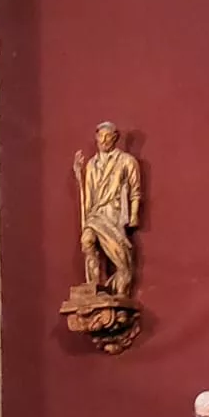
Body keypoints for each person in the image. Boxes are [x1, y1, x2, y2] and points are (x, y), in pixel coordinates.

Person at [72, 122, 143, 297]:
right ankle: (94, 286)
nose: (103, 141)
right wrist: (79, 176)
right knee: (87, 241)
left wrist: (133, 216)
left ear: (115, 138)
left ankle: (120, 293)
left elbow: (135, 191)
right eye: (100, 137)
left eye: (108, 137)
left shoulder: (127, 161)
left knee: (122, 261)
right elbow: (88, 194)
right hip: (96, 215)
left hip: (114, 215)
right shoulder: (91, 165)